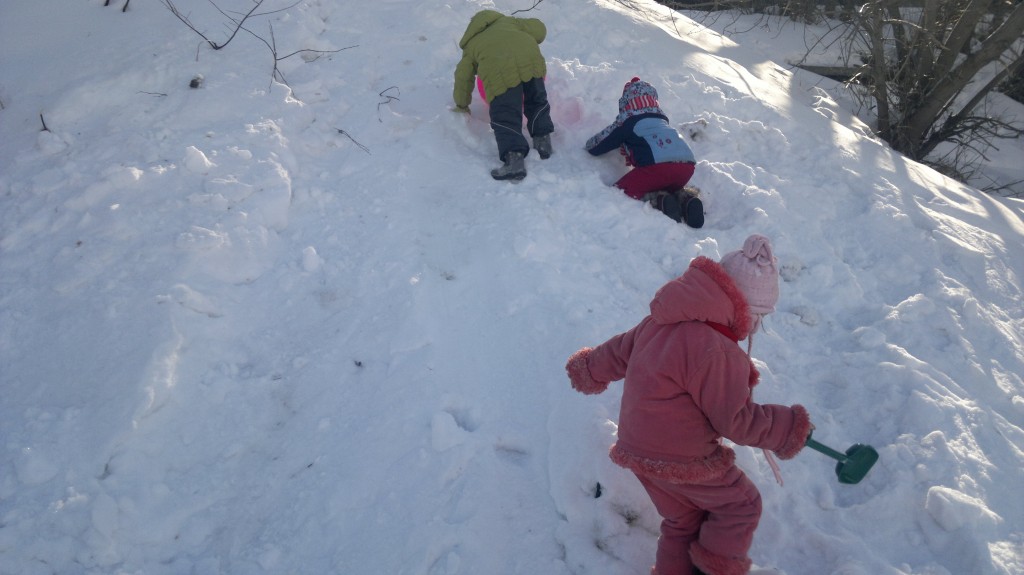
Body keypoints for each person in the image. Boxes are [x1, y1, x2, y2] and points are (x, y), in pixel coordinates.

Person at [564, 234, 812, 575]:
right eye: (758, 316)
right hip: (682, 456)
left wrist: (589, 368)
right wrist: (787, 429)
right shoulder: (717, 351)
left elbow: (618, 352)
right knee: (741, 505)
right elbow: (735, 421)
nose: (755, 326)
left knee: (683, 520)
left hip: (636, 448)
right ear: (741, 306)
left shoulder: (660, 321)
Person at [585, 77, 703, 228]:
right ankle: (686, 199)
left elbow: (600, 144)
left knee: (619, 192)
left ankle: (659, 201)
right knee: (667, 183)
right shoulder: (662, 121)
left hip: (656, 168)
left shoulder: (627, 121)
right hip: (686, 168)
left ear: (626, 102)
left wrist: (588, 146)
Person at [453, 10, 555, 181]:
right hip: (531, 62)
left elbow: (463, 77)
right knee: (536, 101)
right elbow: (539, 30)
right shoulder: (510, 22)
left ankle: (514, 161)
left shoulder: (472, 44)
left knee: (506, 114)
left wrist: (461, 105)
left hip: (499, 73)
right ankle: (543, 141)